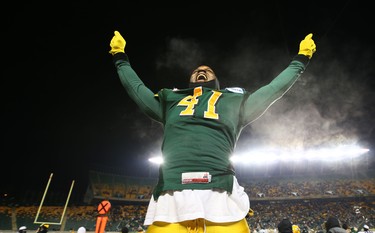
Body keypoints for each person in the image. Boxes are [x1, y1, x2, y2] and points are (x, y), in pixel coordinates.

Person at [109, 30, 316, 233]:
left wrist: (300, 59)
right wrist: (120, 57)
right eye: (197, 70)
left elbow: (273, 89)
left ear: (216, 81)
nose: (201, 71)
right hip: (172, 195)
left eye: (207, 70)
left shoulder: (234, 101)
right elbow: (137, 90)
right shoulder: (171, 100)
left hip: (220, 191)